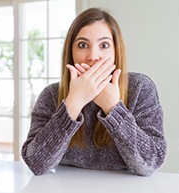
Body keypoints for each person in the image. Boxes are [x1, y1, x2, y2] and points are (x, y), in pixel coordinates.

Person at [21, 7, 167, 177]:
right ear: (71, 52)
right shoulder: (51, 95)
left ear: (115, 52)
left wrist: (113, 108)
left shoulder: (141, 88)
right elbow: (36, 164)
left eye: (104, 45)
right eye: (82, 45)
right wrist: (72, 104)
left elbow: (152, 163)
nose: (93, 56)